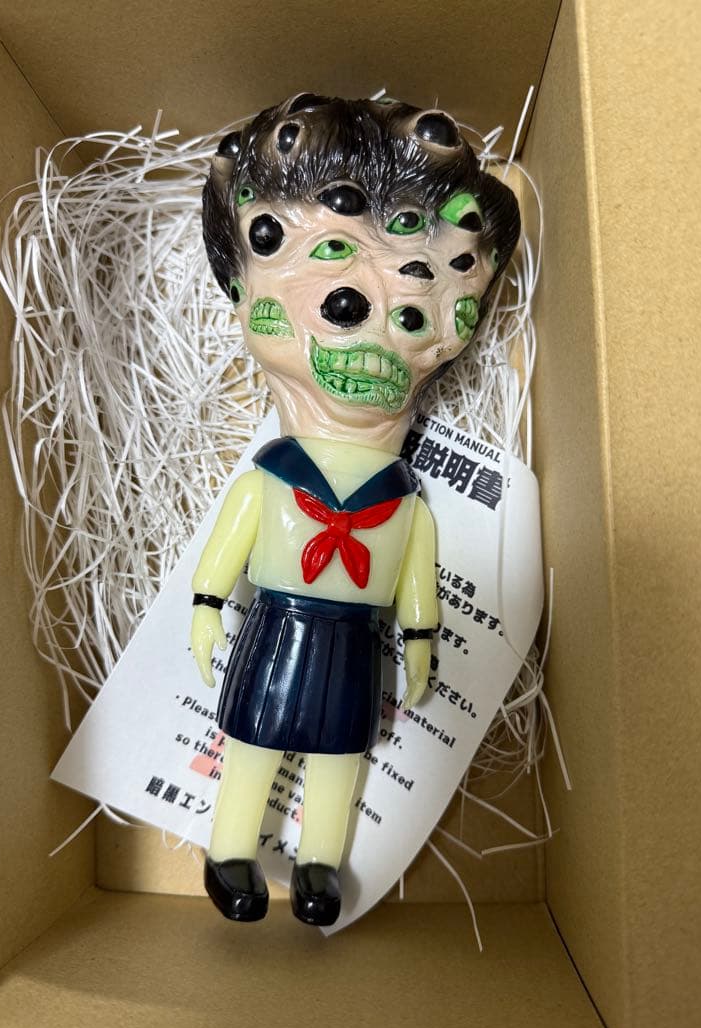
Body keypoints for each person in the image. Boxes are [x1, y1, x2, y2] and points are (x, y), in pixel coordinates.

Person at [192, 93, 520, 925]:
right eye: (331, 279)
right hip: (279, 624)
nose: (370, 312)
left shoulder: (403, 505)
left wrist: (419, 639)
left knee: (341, 753)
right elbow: (231, 542)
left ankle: (318, 865)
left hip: (352, 641)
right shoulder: (274, 480)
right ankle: (229, 852)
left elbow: (415, 577)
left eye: (420, 298)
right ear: (239, 290)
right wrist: (205, 605)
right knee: (254, 742)